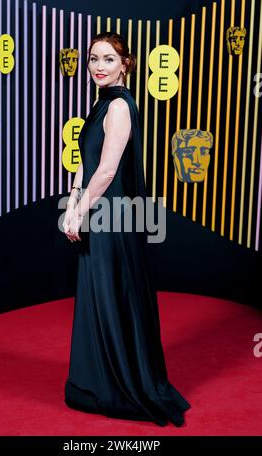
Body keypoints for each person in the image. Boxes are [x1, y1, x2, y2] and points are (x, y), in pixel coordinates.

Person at [63, 32, 191, 427]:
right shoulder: (101, 106)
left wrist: (80, 211)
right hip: (98, 210)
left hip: (113, 216)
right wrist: (71, 202)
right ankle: (97, 382)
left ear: (125, 64)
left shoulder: (120, 107)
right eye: (93, 59)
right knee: (98, 296)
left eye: (107, 59)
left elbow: (107, 170)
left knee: (113, 295)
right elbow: (87, 161)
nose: (98, 66)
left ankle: (122, 386)